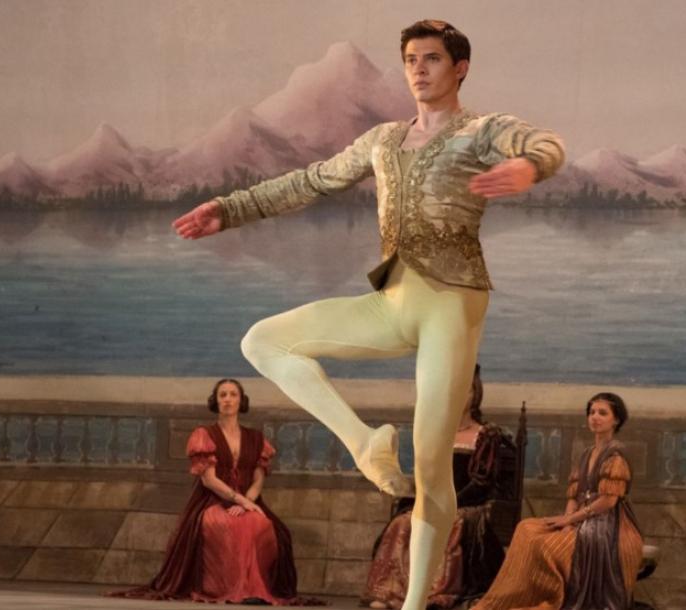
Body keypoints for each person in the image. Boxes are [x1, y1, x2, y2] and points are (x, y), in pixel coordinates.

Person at [172, 20, 564, 607]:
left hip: (451, 304)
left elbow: (546, 144)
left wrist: (530, 167)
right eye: (411, 60)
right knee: (263, 341)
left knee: (430, 466)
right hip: (392, 300)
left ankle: (413, 604)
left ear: (460, 68)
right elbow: (311, 181)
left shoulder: (482, 131)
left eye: (432, 59)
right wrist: (230, 209)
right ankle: (363, 442)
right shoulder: (383, 139)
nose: (419, 69)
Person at [112, 379, 307, 604]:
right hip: (213, 501)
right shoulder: (204, 434)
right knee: (234, 525)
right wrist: (239, 501)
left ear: (241, 401)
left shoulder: (256, 438)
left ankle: (256, 588)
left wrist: (247, 503)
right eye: (222, 395)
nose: (228, 399)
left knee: (262, 525)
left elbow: (258, 479)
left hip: (249, 501)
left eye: (233, 394)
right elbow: (209, 480)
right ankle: (235, 589)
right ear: (215, 401)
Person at [475, 392, 643, 610]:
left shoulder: (615, 456)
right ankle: (511, 599)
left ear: (616, 420)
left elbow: (608, 502)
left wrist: (571, 520)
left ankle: (554, 596)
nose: (595, 417)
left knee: (545, 545)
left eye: (603, 413)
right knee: (526, 528)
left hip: (607, 525)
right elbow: (574, 495)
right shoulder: (587, 454)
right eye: (592, 412)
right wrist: (566, 520)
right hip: (581, 517)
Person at [361, 365, 511, 609]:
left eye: (466, 390)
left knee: (450, 524)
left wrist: (447, 504)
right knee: (403, 523)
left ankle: (434, 594)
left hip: (467, 503)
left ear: (475, 395)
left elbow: (482, 482)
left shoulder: (485, 434)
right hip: (432, 501)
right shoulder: (438, 432)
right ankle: (391, 594)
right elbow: (426, 476)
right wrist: (418, 496)